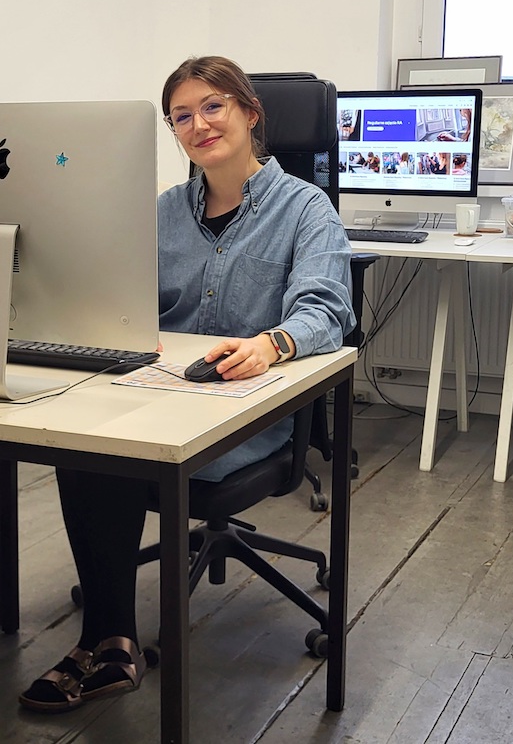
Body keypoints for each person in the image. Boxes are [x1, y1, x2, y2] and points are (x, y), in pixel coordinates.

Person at [17, 55, 355, 713]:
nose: (198, 125)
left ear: (250, 114)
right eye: (181, 116)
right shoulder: (164, 212)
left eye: (212, 107)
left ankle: (106, 643)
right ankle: (109, 640)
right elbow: (117, 300)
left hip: (248, 414)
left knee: (105, 458)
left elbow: (326, 308)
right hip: (157, 395)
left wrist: (271, 343)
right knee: (80, 440)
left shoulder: (304, 208)